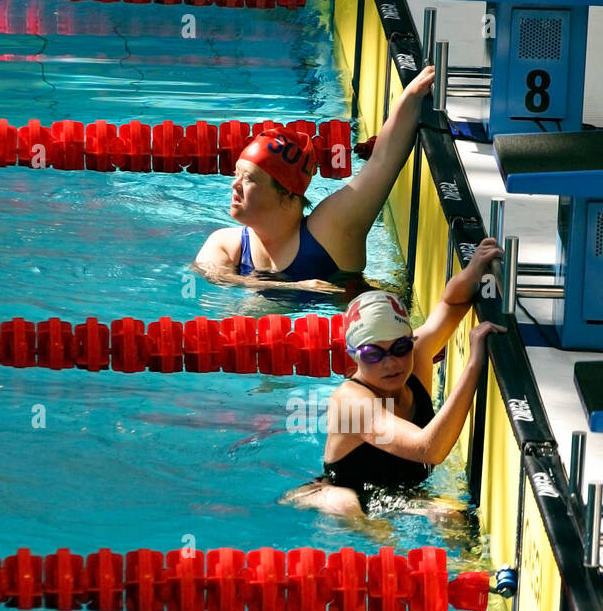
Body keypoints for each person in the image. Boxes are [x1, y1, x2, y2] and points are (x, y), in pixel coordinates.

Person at [280, 241, 506, 518]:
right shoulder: (353, 401)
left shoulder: (417, 357)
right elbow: (430, 450)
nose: (390, 363)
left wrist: (472, 272)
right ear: (354, 356)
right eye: (372, 354)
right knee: (346, 504)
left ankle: (464, 563)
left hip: (394, 496)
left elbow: (451, 303)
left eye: (400, 348)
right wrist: (474, 364)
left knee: (449, 516)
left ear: (411, 341)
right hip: (341, 494)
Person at [192, 66, 437, 294]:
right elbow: (205, 273)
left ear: (286, 193)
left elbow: (382, 163)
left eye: (248, 179)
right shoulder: (226, 244)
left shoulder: (330, 230)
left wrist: (412, 95)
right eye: (236, 174)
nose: (234, 185)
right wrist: (295, 287)